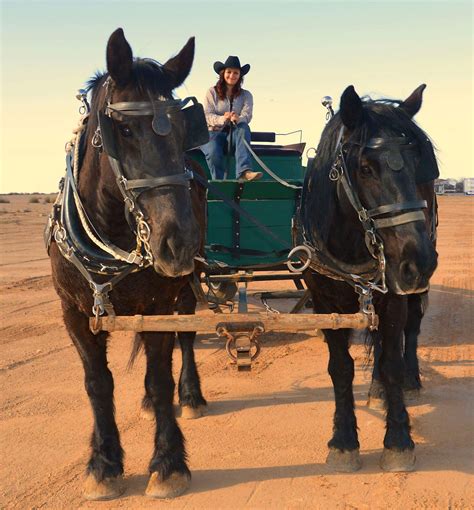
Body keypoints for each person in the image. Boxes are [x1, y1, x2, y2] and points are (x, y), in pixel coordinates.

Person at [200, 56, 263, 181]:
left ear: (240, 76)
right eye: (229, 72)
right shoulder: (212, 92)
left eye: (236, 73)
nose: (232, 75)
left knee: (243, 127)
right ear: (223, 73)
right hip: (212, 133)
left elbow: (247, 115)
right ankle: (218, 183)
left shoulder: (246, 95)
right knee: (213, 152)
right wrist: (222, 119)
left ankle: (244, 171)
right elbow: (207, 115)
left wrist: (238, 118)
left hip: (234, 134)